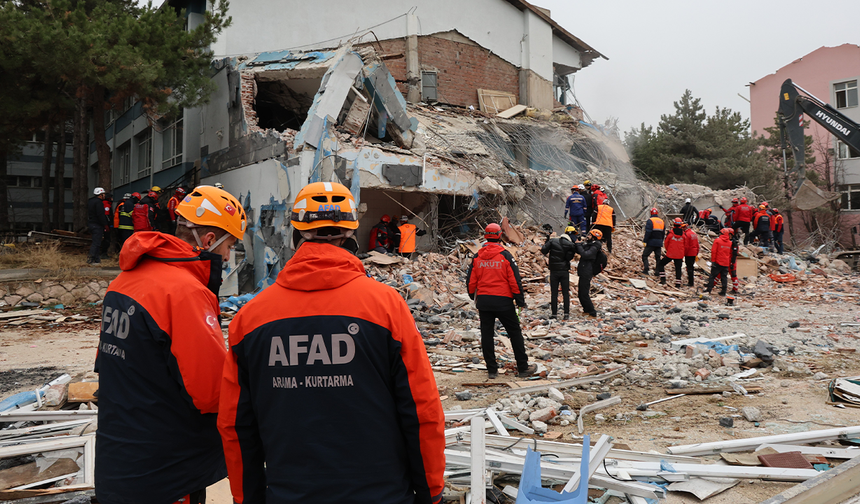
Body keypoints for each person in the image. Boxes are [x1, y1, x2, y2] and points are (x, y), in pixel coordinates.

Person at [218, 182, 445, 504]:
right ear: (351, 235)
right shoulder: (386, 306)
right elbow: (421, 409)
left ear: (296, 235)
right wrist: (431, 491)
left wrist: (248, 497)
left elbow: (236, 423)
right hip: (382, 495)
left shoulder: (250, 318)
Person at [95, 185, 247, 504]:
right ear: (209, 240)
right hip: (167, 470)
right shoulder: (184, 292)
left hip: (120, 460)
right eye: (230, 245)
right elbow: (210, 393)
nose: (228, 255)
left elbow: (107, 366)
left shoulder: (124, 281)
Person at [467, 223, 536, 379]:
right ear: (500, 235)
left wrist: (473, 296)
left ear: (485, 236)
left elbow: (471, 280)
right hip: (503, 301)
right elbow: (514, 280)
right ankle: (523, 367)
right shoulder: (505, 255)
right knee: (514, 333)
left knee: (487, 335)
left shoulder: (477, 257)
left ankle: (492, 370)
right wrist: (520, 300)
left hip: (484, 302)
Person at [541, 225, 578, 320]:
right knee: (566, 293)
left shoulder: (553, 241)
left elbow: (543, 250)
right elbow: (569, 258)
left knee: (554, 293)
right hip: (564, 271)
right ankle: (566, 314)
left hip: (554, 271)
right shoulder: (570, 245)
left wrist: (547, 240)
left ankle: (554, 314)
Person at [575, 229, 604, 318]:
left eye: (590, 235)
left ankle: (592, 312)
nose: (588, 236)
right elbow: (580, 251)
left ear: (594, 237)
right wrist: (578, 244)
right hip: (584, 270)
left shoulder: (595, 246)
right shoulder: (590, 245)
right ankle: (586, 310)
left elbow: (585, 254)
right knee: (581, 293)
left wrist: (579, 245)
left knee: (584, 293)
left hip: (587, 271)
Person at [704, 227, 734, 296]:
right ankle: (723, 291)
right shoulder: (730, 243)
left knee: (712, 276)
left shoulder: (717, 241)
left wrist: (713, 261)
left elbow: (714, 251)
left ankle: (709, 289)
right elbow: (730, 253)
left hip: (718, 262)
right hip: (725, 263)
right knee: (724, 278)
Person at [657, 218, 686, 289]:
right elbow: (685, 244)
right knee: (678, 268)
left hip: (670, 254)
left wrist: (669, 250)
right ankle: (678, 284)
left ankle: (663, 280)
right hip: (679, 255)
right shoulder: (684, 234)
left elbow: (666, 243)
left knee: (661, 264)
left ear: (674, 224)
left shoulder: (670, 233)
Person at [711, 227, 740, 295]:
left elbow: (734, 254)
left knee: (733, 275)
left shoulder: (733, 243)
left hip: (731, 261)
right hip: (726, 261)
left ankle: (735, 289)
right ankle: (712, 285)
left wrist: (732, 263)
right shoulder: (729, 242)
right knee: (719, 274)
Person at [87, 187, 109, 264]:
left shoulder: (90, 201)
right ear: (100, 195)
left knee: (96, 242)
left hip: (91, 223)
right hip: (97, 225)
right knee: (96, 243)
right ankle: (91, 258)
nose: (104, 196)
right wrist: (105, 225)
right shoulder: (99, 203)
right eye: (103, 194)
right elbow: (100, 215)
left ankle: (96, 260)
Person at [642, 208, 664, 275]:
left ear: (651, 213)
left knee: (644, 255)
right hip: (659, 242)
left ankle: (646, 269)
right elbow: (663, 233)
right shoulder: (662, 221)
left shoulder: (650, 220)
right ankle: (657, 272)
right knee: (658, 258)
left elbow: (648, 232)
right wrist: (661, 241)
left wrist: (645, 240)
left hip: (651, 242)